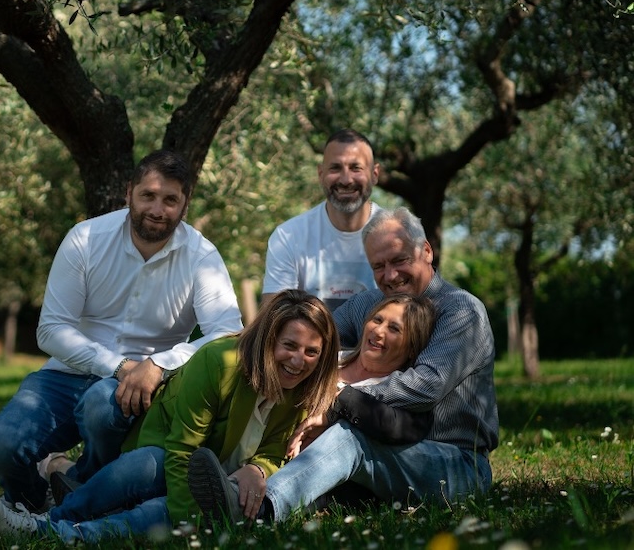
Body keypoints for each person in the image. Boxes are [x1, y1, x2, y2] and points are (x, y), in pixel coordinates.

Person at [192, 207, 499, 524]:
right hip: (386, 448)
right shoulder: (370, 303)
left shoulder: (461, 310)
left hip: (454, 461)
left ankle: (259, 511)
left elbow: (426, 386)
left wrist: (338, 401)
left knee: (349, 437)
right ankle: (216, 495)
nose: (390, 275)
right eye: (378, 266)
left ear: (426, 251)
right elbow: (316, 341)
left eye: (399, 260)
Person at [0, 149, 243, 515]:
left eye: (170, 200)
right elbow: (51, 329)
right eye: (148, 196)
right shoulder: (86, 238)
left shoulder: (202, 256)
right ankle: (32, 501)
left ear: (185, 206)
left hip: (144, 388)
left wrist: (160, 364)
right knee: (2, 445)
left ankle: (75, 487)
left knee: (101, 405)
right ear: (129, 192)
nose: (157, 209)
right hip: (67, 374)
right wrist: (119, 367)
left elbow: (228, 335)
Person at [0, 290, 341, 543]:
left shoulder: (303, 387)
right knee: (146, 466)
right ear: (268, 340)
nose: (299, 360)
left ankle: (58, 533)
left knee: (159, 512)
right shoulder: (220, 361)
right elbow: (182, 449)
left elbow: (277, 450)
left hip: (222, 482)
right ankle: (49, 521)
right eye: (289, 346)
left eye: (312, 352)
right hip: (171, 453)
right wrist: (190, 521)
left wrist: (259, 469)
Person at [188, 292, 438, 522]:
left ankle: (243, 508)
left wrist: (335, 407)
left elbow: (403, 428)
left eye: (394, 328)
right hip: (249, 453)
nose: (379, 331)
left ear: (411, 346)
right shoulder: (323, 359)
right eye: (377, 319)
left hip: (305, 483)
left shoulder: (399, 392)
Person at [262, 129, 382, 310]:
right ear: (320, 173)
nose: (346, 180)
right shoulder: (289, 237)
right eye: (335, 168)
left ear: (375, 174)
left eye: (356, 168)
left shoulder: (400, 235)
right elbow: (275, 317)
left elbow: (414, 311)